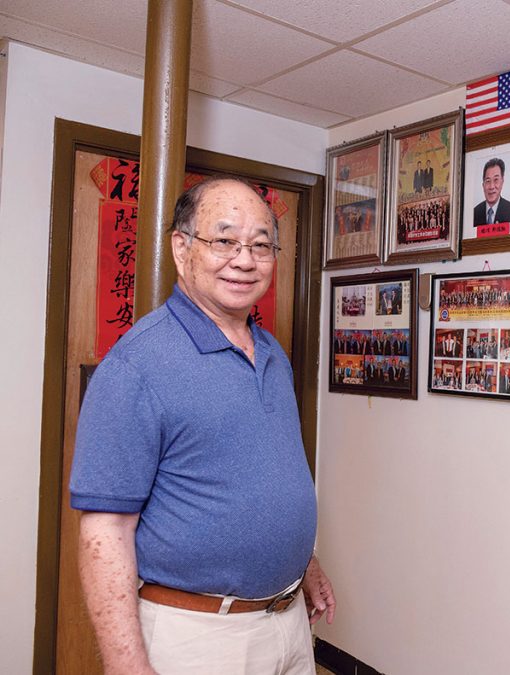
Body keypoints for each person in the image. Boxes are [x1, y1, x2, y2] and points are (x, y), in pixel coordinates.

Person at [70, 177, 336, 675]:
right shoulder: (137, 366)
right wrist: (127, 665)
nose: (244, 260)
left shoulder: (272, 354)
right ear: (181, 248)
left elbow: (263, 476)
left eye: (261, 245)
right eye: (224, 240)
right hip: (198, 635)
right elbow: (105, 531)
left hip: (288, 622)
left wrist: (304, 563)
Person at [472, 158, 510, 226]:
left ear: (502, 182)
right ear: (483, 185)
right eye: (488, 181)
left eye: (496, 180)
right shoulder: (475, 212)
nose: (491, 186)